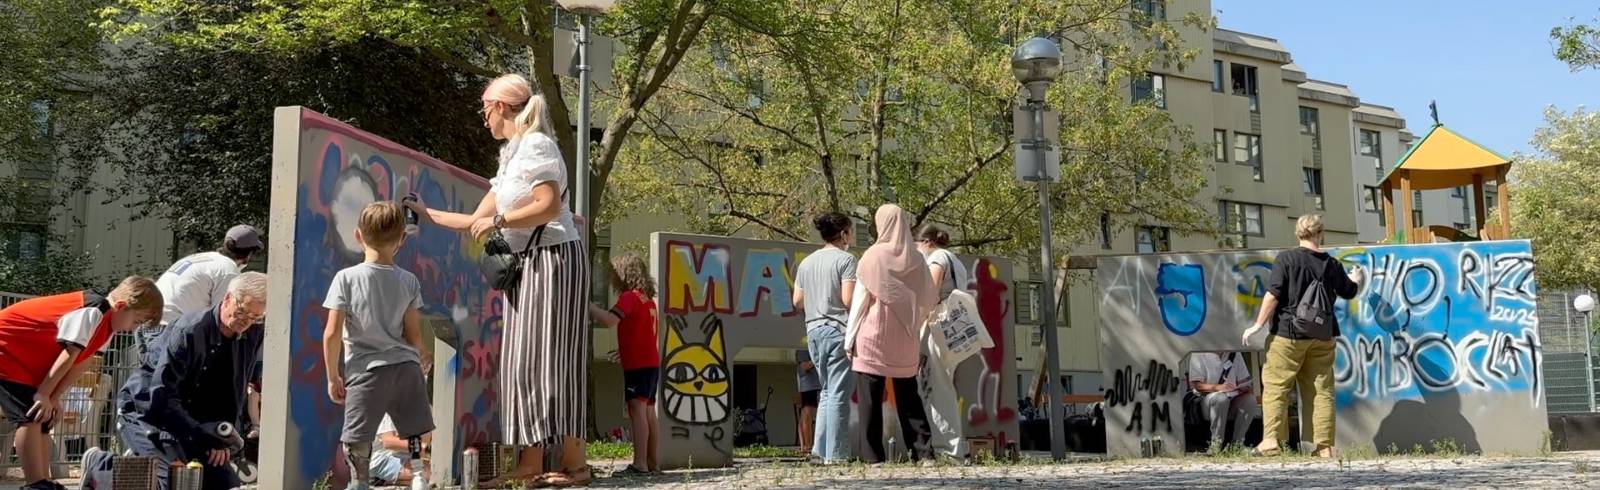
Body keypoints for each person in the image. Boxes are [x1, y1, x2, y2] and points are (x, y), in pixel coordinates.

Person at [405, 73, 591, 486]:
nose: (483, 118)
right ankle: (533, 461)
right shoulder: (512, 155)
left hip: (554, 259)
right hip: (529, 265)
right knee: (524, 363)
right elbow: (476, 221)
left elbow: (548, 205)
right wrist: (428, 213)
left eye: (484, 109)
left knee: (551, 361)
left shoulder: (538, 146)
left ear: (501, 108)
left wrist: (500, 220)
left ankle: (572, 464)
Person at [81, 272, 269, 490]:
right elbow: (162, 396)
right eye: (242, 311)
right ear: (227, 298)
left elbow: (234, 390)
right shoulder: (189, 330)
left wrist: (221, 438)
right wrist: (203, 437)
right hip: (148, 411)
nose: (245, 322)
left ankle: (145, 462)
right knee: (172, 481)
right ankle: (103, 465)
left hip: (192, 420)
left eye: (255, 317)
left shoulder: (252, 333)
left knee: (223, 484)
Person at [0, 277, 163, 490]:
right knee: (30, 415)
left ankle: (44, 481)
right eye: (136, 322)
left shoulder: (108, 327)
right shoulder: (92, 311)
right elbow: (69, 354)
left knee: (43, 418)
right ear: (121, 307)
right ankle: (35, 483)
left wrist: (54, 397)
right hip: (6, 351)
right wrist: (43, 394)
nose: (133, 329)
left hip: (22, 358)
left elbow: (82, 363)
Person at [322, 201, 434, 490]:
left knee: (358, 436)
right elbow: (413, 333)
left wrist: (332, 376)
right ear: (401, 240)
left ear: (359, 235)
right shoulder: (409, 281)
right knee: (413, 428)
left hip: (366, 370)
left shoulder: (345, 279)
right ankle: (420, 476)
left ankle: (359, 482)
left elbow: (332, 333)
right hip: (406, 367)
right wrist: (420, 354)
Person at [1242, 214, 1363, 458]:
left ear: (1298, 234)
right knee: (1321, 390)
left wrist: (1257, 325)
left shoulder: (1286, 259)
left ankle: (1271, 442)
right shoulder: (1331, 264)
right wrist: (1357, 280)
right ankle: (1324, 447)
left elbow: (1273, 295)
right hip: (1322, 336)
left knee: (1276, 386)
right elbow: (1349, 291)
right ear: (1320, 234)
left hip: (1287, 334)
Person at [847, 204, 936, 465]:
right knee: (909, 396)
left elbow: (860, 301)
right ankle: (923, 453)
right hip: (906, 336)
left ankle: (872, 456)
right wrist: (915, 323)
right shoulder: (917, 258)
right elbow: (928, 298)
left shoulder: (872, 256)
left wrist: (849, 338)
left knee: (869, 399)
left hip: (873, 335)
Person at [790, 212, 857, 465]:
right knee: (838, 393)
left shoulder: (806, 263)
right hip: (838, 328)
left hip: (814, 331)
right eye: (849, 231)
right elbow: (848, 299)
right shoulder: (847, 260)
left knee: (826, 392)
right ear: (843, 234)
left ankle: (819, 452)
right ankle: (837, 454)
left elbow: (797, 301)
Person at [586, 252, 660, 475]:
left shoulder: (629, 297)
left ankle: (640, 464)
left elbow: (610, 321)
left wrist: (587, 304)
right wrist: (624, 350)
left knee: (637, 410)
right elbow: (643, 332)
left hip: (638, 365)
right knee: (648, 412)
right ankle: (652, 462)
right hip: (650, 363)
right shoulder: (647, 299)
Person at [914, 225, 970, 462]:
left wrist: (915, 322)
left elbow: (931, 292)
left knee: (936, 389)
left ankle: (947, 448)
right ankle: (949, 446)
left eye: (916, 244)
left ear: (926, 242)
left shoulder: (937, 258)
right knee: (942, 385)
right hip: (953, 330)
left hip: (937, 326)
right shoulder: (956, 261)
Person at [154, 225, 263, 328]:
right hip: (168, 326)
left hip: (148, 320)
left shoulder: (205, 259)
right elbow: (221, 317)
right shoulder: (227, 271)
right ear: (249, 254)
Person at [1187, 352, 1256, 451]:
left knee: (1250, 400)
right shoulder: (1199, 353)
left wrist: (1244, 388)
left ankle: (1238, 444)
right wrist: (1219, 388)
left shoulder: (1235, 353)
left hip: (1232, 397)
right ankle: (1216, 445)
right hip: (1208, 399)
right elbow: (1196, 385)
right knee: (1220, 399)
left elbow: (1244, 382)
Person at [794, 348, 819, 456]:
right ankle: (807, 445)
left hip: (815, 384)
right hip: (808, 385)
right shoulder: (803, 348)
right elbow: (805, 366)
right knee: (807, 414)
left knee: (808, 415)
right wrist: (819, 359)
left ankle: (806, 446)